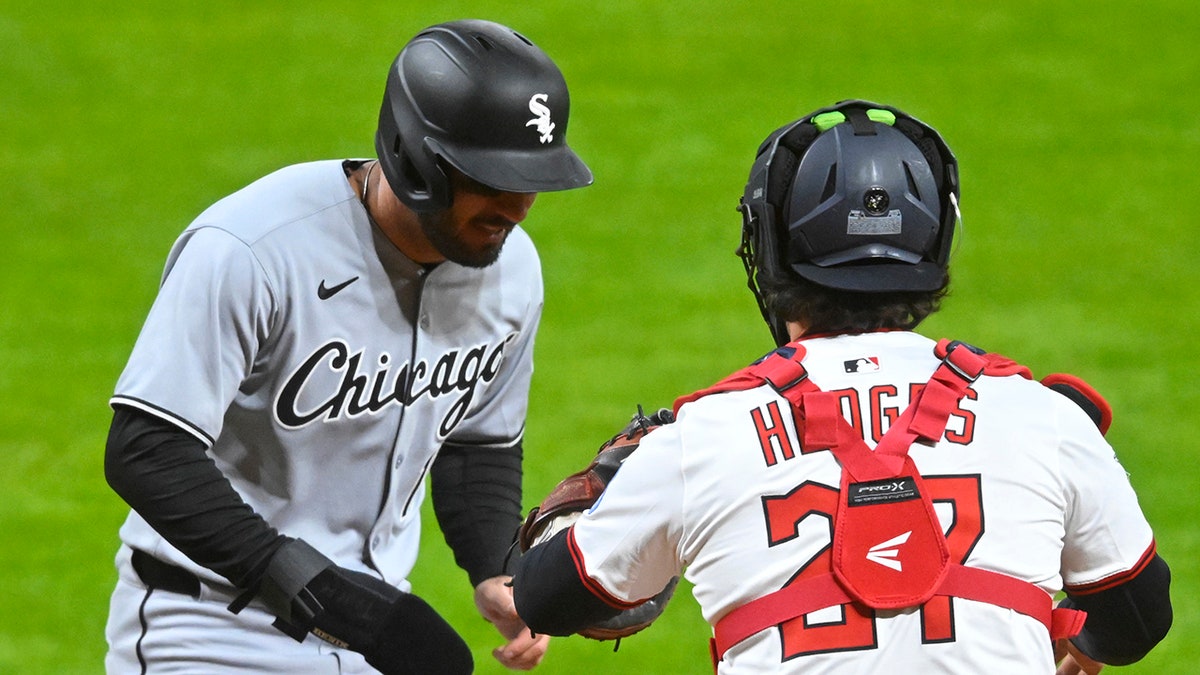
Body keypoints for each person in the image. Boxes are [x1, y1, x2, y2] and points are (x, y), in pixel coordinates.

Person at [510, 100, 1172, 673]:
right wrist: (1084, 644)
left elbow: (546, 597)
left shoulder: (699, 441)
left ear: (765, 247)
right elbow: (1138, 616)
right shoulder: (1041, 418)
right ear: (936, 241)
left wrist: (612, 482)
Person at [103, 19, 591, 674]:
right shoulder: (253, 248)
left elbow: (478, 443)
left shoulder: (513, 271)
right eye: (493, 179)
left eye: (533, 180)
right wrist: (327, 595)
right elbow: (147, 449)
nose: (520, 206)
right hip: (206, 628)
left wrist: (495, 568)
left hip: (370, 634)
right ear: (419, 160)